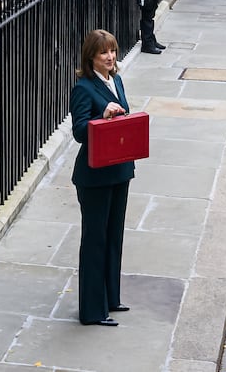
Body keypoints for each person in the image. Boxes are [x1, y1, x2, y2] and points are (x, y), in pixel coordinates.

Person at [69, 28, 134, 327]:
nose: (110, 57)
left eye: (112, 51)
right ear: (91, 57)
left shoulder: (116, 79)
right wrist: (103, 116)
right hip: (94, 175)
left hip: (119, 168)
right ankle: (93, 311)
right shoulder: (83, 88)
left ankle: (111, 298)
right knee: (95, 240)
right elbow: (80, 131)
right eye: (103, 53)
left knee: (114, 237)